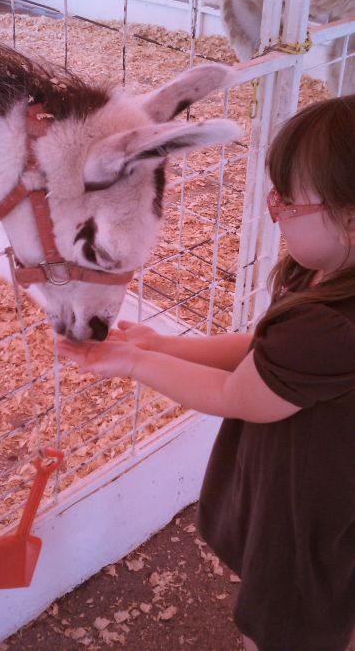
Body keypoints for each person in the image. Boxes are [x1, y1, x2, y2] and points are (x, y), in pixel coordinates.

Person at [57, 95, 355, 651]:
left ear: (351, 222)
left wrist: (137, 360)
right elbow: (264, 350)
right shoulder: (325, 276)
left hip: (314, 500)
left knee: (294, 616)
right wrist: (166, 342)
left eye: (288, 202)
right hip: (307, 471)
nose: (274, 210)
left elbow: (238, 394)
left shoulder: (332, 325)